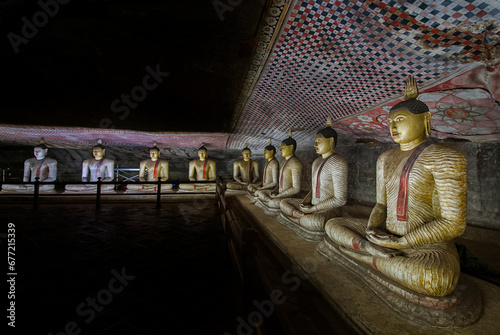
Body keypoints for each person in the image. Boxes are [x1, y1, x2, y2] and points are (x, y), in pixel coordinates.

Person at [323, 76, 467, 297]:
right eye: (390, 122)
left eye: (400, 119)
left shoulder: (446, 157)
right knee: (332, 224)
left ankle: (362, 255)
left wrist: (403, 242)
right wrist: (371, 229)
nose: (393, 127)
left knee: (436, 279)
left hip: (426, 246)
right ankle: (370, 250)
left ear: (426, 120)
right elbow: (381, 203)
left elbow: (453, 223)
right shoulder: (385, 158)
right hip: (385, 234)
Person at [278, 120, 347, 241]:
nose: (315, 145)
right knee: (283, 203)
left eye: (319, 141)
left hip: (328, 210)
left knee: (316, 221)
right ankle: (300, 217)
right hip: (312, 206)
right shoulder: (316, 162)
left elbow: (340, 199)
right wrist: (305, 202)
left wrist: (314, 209)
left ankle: (298, 218)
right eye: (315, 142)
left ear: (331, 141)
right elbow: (314, 188)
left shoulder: (338, 162)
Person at [255, 130, 302, 215]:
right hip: (280, 193)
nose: (280, 150)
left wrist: (279, 195)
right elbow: (279, 182)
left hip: (289, 197)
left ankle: (273, 204)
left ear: (291, 147)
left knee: (273, 202)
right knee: (261, 193)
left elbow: (296, 188)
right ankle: (269, 201)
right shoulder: (283, 161)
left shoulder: (295, 163)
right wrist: (276, 192)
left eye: (282, 148)